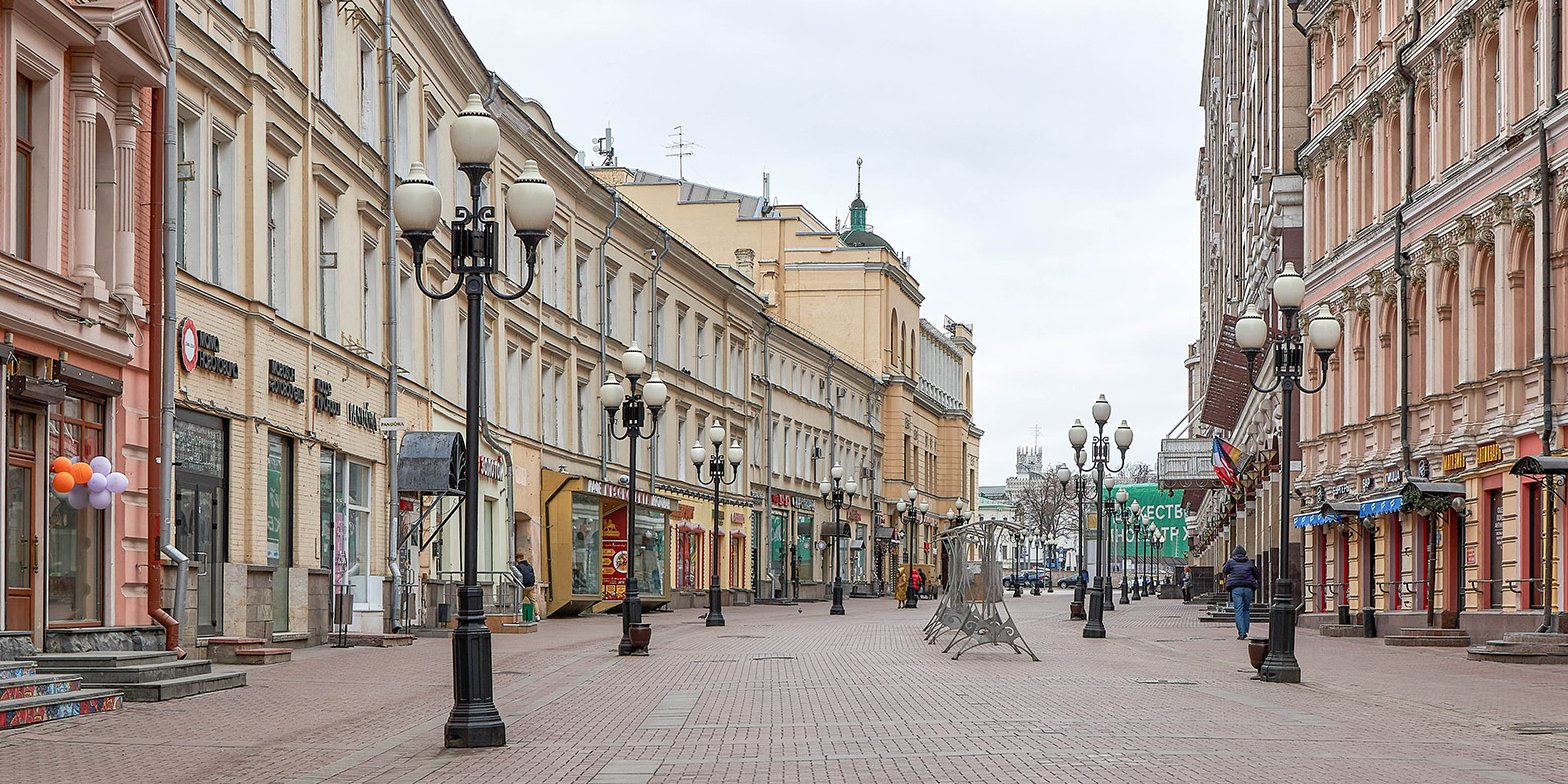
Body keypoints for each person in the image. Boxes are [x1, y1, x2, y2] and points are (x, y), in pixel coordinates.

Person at [1221, 546, 1259, 640]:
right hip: (1248, 588)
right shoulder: (1250, 562)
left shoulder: (1231, 562)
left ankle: (1242, 632)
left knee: (1238, 610)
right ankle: (1245, 630)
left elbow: (1225, 571)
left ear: (1234, 554)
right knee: (1246, 610)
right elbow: (1257, 574)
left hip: (1236, 588)